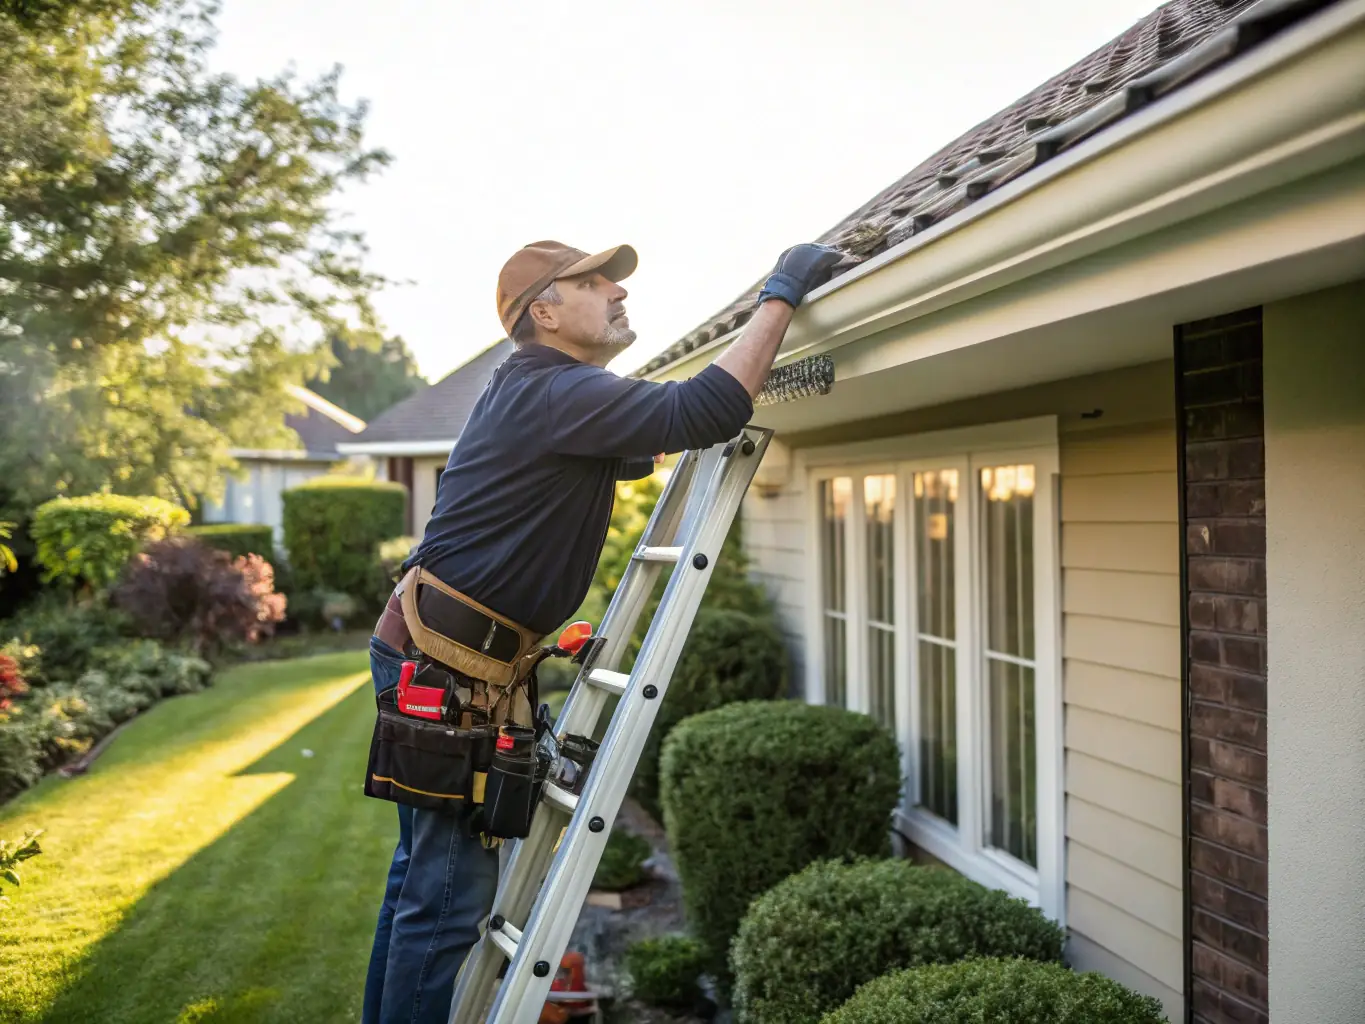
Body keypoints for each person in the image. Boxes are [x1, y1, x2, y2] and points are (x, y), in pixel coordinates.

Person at [362, 238, 847, 1024]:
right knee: (447, 896)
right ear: (543, 312)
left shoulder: (546, 392)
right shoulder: (553, 391)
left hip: (443, 652)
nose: (617, 294)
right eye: (593, 283)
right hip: (447, 665)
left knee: (423, 883)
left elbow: (653, 438)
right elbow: (707, 409)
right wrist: (782, 289)